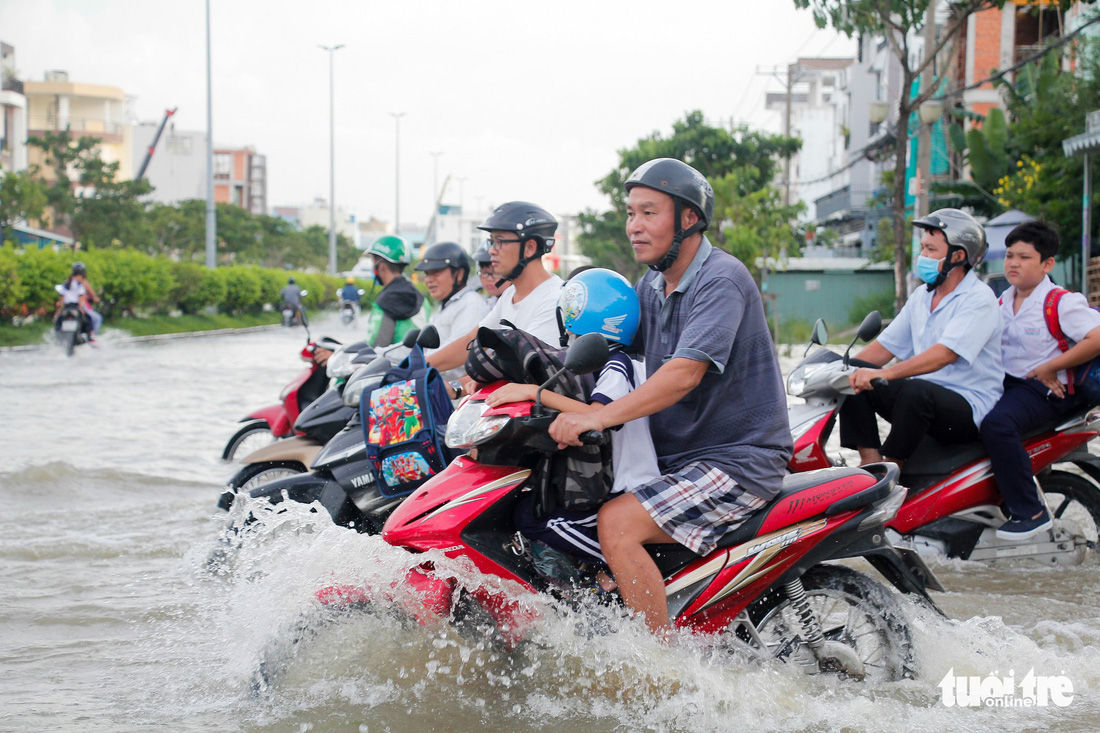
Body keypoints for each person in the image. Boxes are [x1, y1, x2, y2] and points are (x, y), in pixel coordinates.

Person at [548, 158, 792, 636]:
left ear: (687, 219)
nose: (634, 227)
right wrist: (527, 386)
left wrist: (597, 420)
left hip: (737, 459)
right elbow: (612, 357)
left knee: (616, 524)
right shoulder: (651, 286)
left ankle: (658, 670)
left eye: (648, 213)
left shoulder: (720, 279)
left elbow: (682, 374)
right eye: (630, 213)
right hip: (680, 461)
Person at [485, 268, 659, 579]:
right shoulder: (604, 362)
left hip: (627, 488)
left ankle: (617, 567)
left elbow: (593, 415)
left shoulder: (620, 365)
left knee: (536, 521)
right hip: (614, 481)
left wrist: (533, 393)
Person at [840, 208, 1004, 470]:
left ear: (958, 256)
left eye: (930, 250)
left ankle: (891, 473)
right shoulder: (921, 296)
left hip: (968, 408)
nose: (922, 257)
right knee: (849, 373)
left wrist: (887, 374)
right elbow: (883, 349)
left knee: (915, 392)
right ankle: (869, 463)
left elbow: (944, 355)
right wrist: (839, 370)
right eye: (923, 249)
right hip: (921, 403)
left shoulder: (979, 299)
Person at [980, 221, 1100, 539]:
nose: (1013, 263)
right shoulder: (1000, 302)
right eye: (1009, 256)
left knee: (997, 425)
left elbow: (1096, 338)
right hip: (1010, 385)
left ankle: (1029, 511)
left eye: (1024, 257)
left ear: (1047, 263)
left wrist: (1051, 367)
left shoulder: (1060, 301)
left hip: (1048, 389)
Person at [426, 202, 564, 396]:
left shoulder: (553, 299)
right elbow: (472, 340)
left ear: (530, 247)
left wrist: (456, 386)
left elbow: (521, 369)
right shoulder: (509, 295)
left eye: (500, 241)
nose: (491, 250)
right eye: (491, 241)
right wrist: (421, 366)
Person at [413, 241, 490, 381]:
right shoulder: (447, 305)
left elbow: (460, 348)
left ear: (459, 274)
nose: (429, 280)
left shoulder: (471, 303)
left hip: (455, 395)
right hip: (434, 385)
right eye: (427, 274)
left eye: (436, 272)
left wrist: (416, 365)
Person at [363, 235, 429, 347]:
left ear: (381, 266)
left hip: (393, 363)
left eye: (373, 261)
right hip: (419, 362)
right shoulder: (423, 300)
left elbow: (375, 346)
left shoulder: (385, 302)